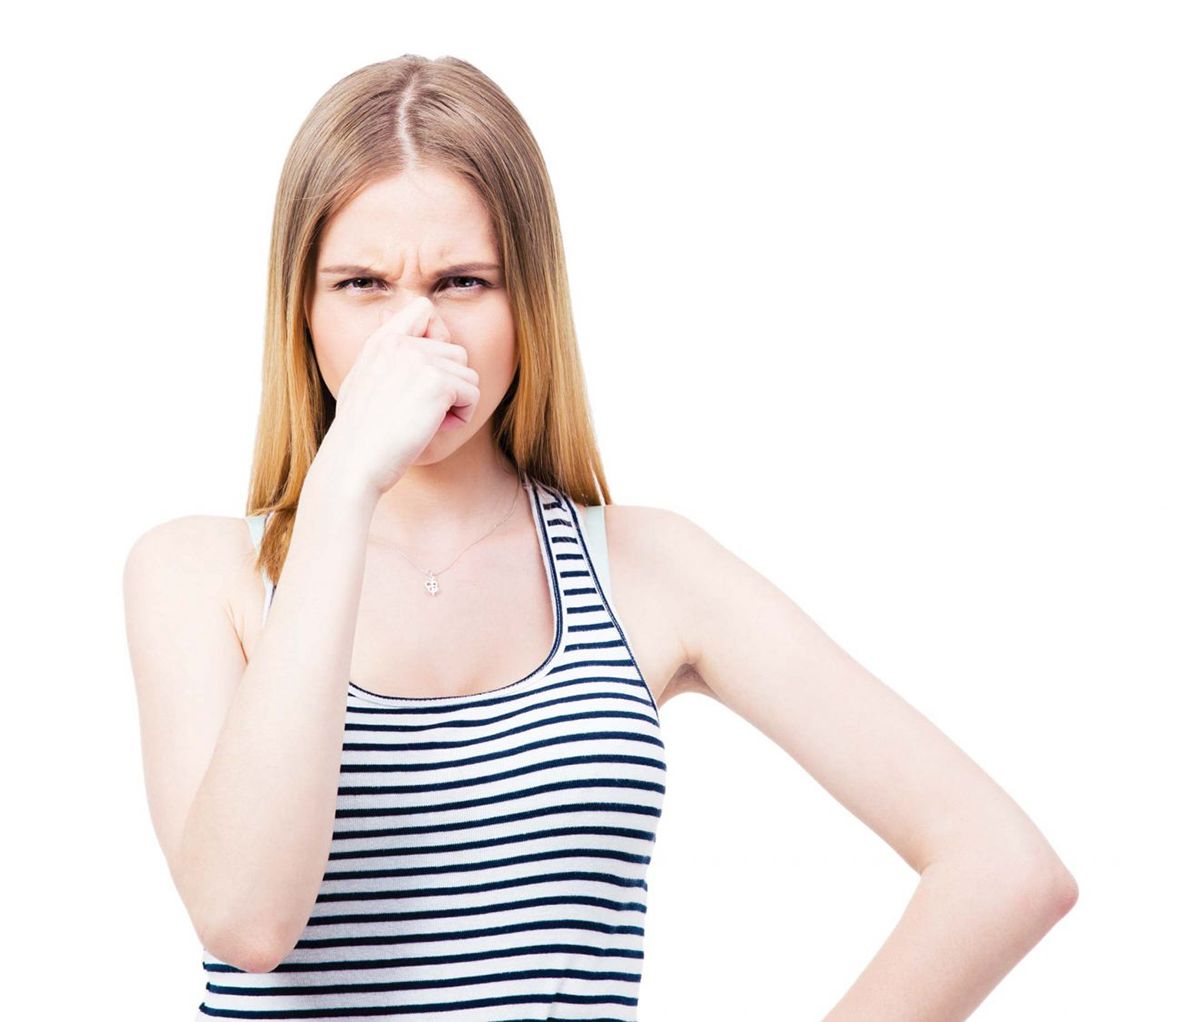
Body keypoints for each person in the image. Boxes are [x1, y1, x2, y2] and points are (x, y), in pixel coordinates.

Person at [123, 54, 1077, 1022]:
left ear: (529, 302)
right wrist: (341, 491)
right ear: (302, 307)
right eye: (362, 282)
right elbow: (246, 921)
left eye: (463, 281)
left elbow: (1004, 867)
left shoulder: (651, 570)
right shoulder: (198, 575)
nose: (415, 333)